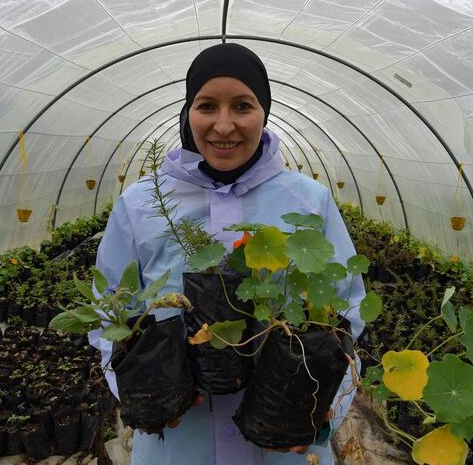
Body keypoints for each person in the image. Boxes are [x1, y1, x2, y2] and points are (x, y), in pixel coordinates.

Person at [89, 43, 365, 464]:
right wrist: (143, 397)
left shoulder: (308, 200)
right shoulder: (141, 203)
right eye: (206, 106)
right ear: (188, 112)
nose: (223, 125)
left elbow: (346, 315)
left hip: (283, 444)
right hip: (179, 442)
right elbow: (110, 315)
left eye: (242, 106)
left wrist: (321, 412)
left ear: (263, 112)